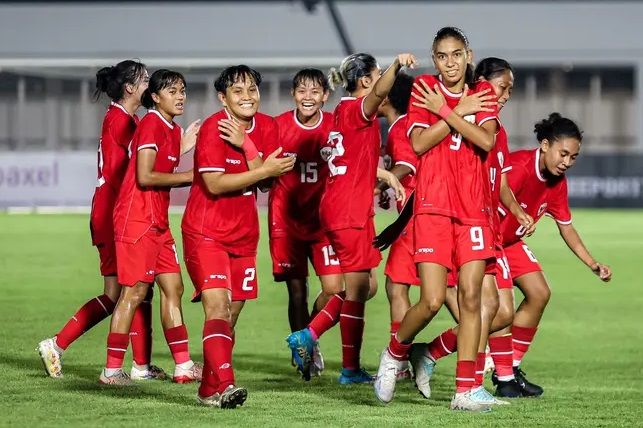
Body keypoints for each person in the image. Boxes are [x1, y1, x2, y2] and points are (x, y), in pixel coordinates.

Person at [374, 27, 500, 412]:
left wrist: (446, 111)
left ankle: (466, 389)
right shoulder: (422, 89)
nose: (450, 62)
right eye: (442, 56)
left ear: (468, 55)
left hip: (473, 210)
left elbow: (487, 141)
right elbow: (418, 143)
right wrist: (458, 112)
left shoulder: (484, 93)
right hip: (432, 207)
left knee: (472, 298)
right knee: (429, 301)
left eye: (457, 54)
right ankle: (395, 354)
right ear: (434, 58)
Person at [409, 57, 535, 402]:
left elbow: (501, 181)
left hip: (488, 226)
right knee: (487, 307)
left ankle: (445, 363)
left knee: (491, 309)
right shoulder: (468, 128)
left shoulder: (496, 130)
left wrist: (516, 210)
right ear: (481, 85)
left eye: (510, 88)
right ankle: (464, 379)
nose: (507, 94)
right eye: (502, 86)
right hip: (461, 225)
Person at [287, 52, 413, 384]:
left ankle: (322, 344)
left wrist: (384, 175)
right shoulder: (359, 109)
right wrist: (396, 64)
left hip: (338, 207)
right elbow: (375, 95)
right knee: (357, 290)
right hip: (349, 212)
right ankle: (339, 360)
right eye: (377, 76)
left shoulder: (342, 113)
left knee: (364, 286)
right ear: (367, 81)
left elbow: (354, 160)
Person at [37, 60, 166, 380]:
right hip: (114, 216)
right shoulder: (121, 121)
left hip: (118, 214)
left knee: (140, 289)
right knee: (118, 293)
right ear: (130, 88)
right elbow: (135, 172)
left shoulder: (127, 119)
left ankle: (140, 366)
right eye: (146, 80)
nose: (151, 85)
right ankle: (57, 344)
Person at [182, 65, 295, 408]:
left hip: (245, 235)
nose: (247, 97)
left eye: (252, 90)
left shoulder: (269, 127)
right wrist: (262, 168)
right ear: (223, 98)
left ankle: (207, 391)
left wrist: (248, 148)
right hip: (206, 232)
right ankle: (228, 387)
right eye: (238, 92)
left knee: (229, 318)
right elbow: (214, 184)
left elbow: (266, 182)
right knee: (217, 307)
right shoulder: (213, 130)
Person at [488, 112, 612, 396]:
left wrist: (592, 263)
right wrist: (515, 216)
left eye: (573, 157)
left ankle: (510, 369)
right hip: (490, 242)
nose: (567, 162)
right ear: (544, 145)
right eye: (563, 153)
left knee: (540, 293)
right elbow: (495, 195)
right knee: (499, 312)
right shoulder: (519, 166)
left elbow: (566, 228)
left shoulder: (558, 183)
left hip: (511, 243)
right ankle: (436, 352)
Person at [100, 69, 201, 385]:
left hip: (158, 222)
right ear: (155, 97)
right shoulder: (150, 125)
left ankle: (183, 366)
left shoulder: (171, 129)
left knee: (174, 287)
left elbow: (163, 164)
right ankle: (111, 370)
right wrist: (190, 176)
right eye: (172, 91)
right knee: (134, 292)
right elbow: (145, 176)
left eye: (183, 90)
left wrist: (183, 147)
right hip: (137, 220)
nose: (180, 96)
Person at [269, 69, 342, 370]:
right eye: (302, 91)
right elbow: (264, 169)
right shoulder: (278, 127)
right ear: (293, 94)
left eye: (315, 92)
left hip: (322, 221)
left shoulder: (336, 126)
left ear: (325, 95)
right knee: (297, 291)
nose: (308, 97)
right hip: (286, 220)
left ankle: (309, 336)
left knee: (336, 288)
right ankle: (303, 354)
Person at [375, 72, 417, 380]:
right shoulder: (405, 124)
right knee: (400, 286)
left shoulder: (401, 126)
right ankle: (402, 360)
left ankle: (401, 360)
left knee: (398, 286)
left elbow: (407, 166)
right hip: (416, 214)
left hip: (416, 218)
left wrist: (379, 182)